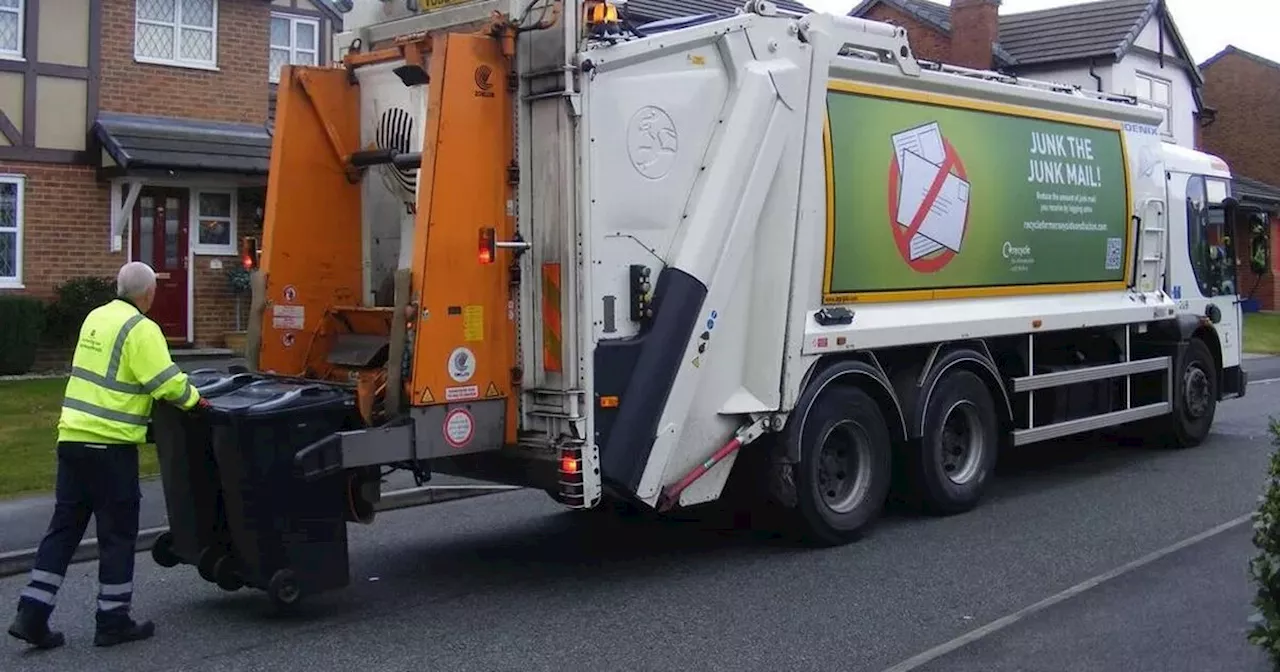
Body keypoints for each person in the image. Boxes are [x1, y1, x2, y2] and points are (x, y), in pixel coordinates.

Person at [7, 261, 210, 650]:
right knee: (117, 534)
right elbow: (164, 382)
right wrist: (198, 402)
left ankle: (31, 614)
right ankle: (113, 620)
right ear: (148, 294)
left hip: (72, 439)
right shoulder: (142, 328)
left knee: (64, 529)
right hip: (110, 447)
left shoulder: (94, 318)